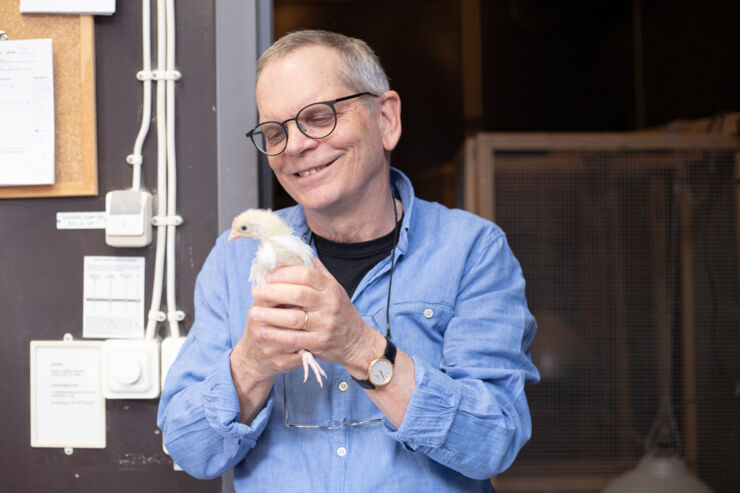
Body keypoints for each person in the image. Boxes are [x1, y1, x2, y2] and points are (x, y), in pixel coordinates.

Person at [157, 29, 539, 492]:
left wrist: (361, 348)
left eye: (319, 117)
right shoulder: (234, 262)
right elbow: (190, 449)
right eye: (275, 132)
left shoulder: (472, 250)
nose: (294, 146)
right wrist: (251, 364)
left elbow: (493, 442)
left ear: (386, 119)